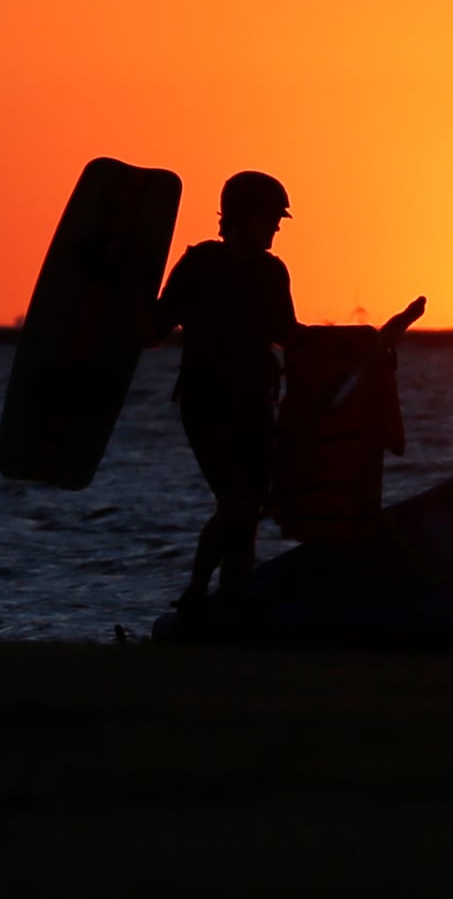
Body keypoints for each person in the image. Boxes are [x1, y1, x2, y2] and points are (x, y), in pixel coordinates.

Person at [148, 170, 303, 612]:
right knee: (238, 501)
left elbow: (287, 334)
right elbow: (156, 327)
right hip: (207, 402)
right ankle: (197, 592)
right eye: (272, 217)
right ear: (244, 216)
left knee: (248, 509)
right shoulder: (199, 264)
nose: (277, 226)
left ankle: (233, 604)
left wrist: (347, 342)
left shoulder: (274, 272)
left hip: (256, 401)